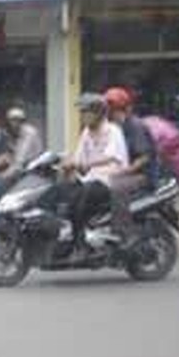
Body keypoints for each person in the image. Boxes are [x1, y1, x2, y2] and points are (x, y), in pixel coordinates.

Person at [63, 93, 130, 253]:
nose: (83, 116)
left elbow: (111, 156)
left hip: (109, 180)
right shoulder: (86, 132)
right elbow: (79, 157)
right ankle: (68, 236)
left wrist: (86, 164)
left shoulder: (113, 131)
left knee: (83, 197)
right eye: (82, 112)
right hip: (91, 179)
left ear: (99, 113)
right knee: (63, 194)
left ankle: (80, 241)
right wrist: (67, 165)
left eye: (87, 112)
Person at [104, 87, 158, 244]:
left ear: (126, 109)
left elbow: (144, 158)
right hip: (126, 172)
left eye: (114, 110)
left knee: (116, 187)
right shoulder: (113, 128)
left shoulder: (135, 126)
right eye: (110, 111)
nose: (111, 114)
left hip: (142, 176)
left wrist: (121, 172)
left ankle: (123, 233)